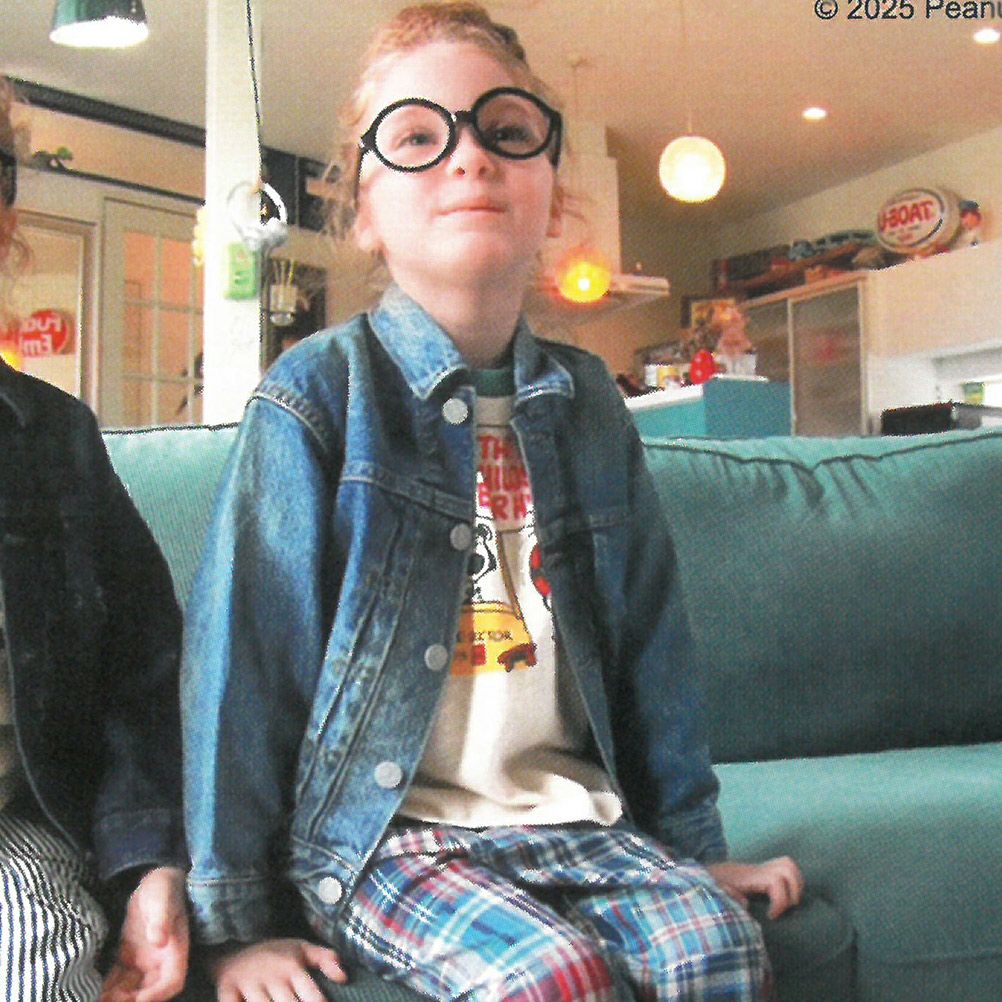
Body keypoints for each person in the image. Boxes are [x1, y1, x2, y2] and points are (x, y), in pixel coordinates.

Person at [183, 4, 803, 1000]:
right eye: (417, 138)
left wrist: (693, 851)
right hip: (388, 838)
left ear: (553, 195)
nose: (469, 156)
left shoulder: (589, 402)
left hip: (577, 817)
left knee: (717, 949)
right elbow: (242, 673)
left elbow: (651, 644)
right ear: (366, 211)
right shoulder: (316, 397)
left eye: (507, 132)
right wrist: (235, 928)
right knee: (552, 976)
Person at [0, 78, 188, 1002]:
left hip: (12, 840)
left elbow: (143, 672)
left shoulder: (54, 440)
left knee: (37, 963)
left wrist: (149, 861)